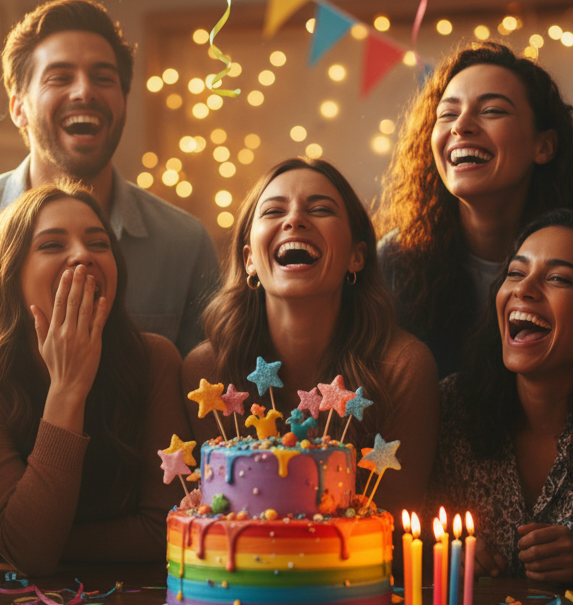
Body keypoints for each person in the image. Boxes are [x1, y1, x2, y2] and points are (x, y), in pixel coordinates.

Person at [0, 0, 218, 358]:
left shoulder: (184, 245)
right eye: (60, 77)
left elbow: (206, 397)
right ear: (18, 107)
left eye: (103, 77)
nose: (84, 91)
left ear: (124, 102)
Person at [0, 181, 189, 574]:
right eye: (52, 245)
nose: (82, 256)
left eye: (99, 243)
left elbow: (167, 533)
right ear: (11, 275)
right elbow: (31, 554)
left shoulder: (154, 360)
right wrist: (67, 389)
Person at [183, 158, 438, 521]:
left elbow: (390, 529)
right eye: (273, 211)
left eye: (320, 209)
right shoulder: (208, 372)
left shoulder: (403, 367)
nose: (295, 220)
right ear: (249, 260)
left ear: (357, 256)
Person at [427, 209, 573, 584]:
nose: (523, 289)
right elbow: (410, 534)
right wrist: (441, 554)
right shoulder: (452, 407)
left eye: (558, 278)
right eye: (516, 273)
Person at [377, 42, 573, 377]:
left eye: (492, 111)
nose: (461, 126)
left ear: (543, 145)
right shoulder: (394, 263)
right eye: (448, 114)